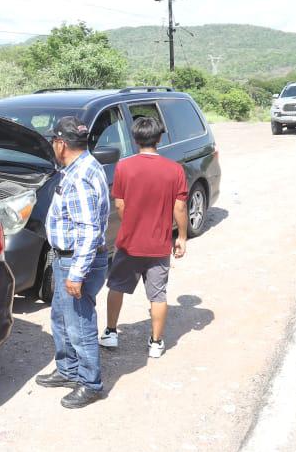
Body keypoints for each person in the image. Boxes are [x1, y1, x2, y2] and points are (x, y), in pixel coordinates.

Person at [34, 115, 111, 408]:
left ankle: (90, 383)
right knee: (62, 318)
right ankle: (68, 370)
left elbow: (89, 230)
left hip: (77, 261)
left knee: (79, 323)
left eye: (53, 141)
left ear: (61, 143)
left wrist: (77, 274)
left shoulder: (79, 177)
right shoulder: (85, 166)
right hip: (67, 259)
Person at [100, 115, 189, 359]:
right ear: (159, 138)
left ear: (135, 138)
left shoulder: (124, 167)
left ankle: (110, 332)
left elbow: (120, 205)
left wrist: (133, 223)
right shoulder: (174, 170)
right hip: (159, 245)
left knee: (116, 286)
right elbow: (179, 208)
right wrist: (181, 237)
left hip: (129, 242)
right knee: (158, 295)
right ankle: (156, 343)